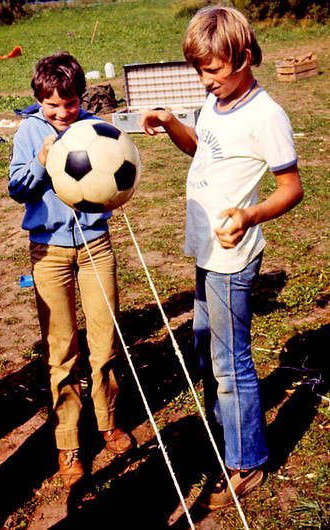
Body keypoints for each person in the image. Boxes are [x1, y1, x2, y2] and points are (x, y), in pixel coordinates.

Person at [141, 6, 303, 510]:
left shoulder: (266, 115)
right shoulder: (216, 100)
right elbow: (202, 151)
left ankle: (247, 460)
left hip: (232, 257)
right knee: (207, 344)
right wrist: (171, 122)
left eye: (212, 70)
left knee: (231, 364)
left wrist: (250, 216)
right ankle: (226, 428)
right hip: (206, 247)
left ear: (245, 58)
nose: (205, 80)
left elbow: (291, 188)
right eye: (199, 70)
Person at [9, 53, 133, 490]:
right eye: (52, 106)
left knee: (104, 340)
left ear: (81, 97)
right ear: (39, 100)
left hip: (96, 247)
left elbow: (115, 175)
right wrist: (41, 161)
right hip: (49, 252)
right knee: (62, 348)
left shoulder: (93, 128)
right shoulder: (28, 131)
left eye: (70, 103)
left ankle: (108, 423)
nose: (62, 114)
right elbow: (15, 188)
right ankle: (68, 442)